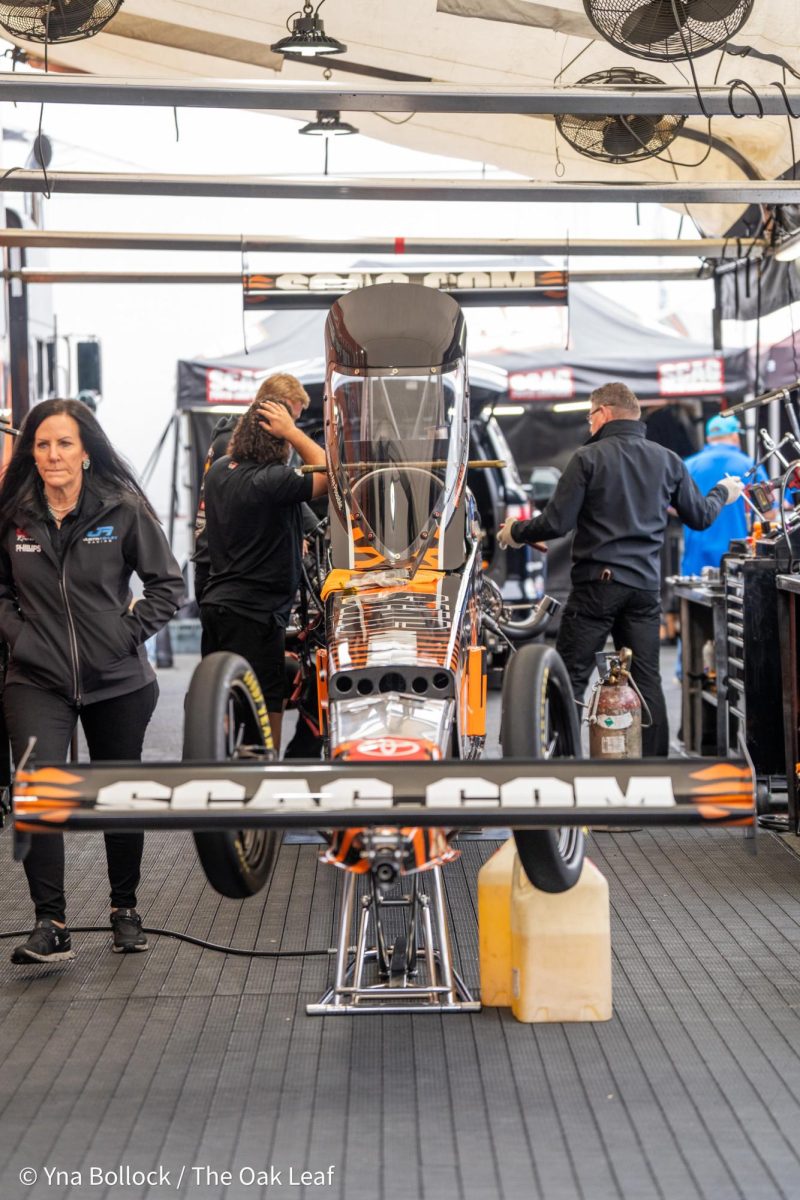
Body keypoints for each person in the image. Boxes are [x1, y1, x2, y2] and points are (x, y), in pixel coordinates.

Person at [0, 398, 184, 964]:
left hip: (118, 680)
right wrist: (22, 640)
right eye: (42, 444)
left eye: (64, 444)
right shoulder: (14, 517)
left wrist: (121, 638)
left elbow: (168, 587)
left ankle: (124, 909)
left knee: (116, 794)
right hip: (36, 678)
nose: (52, 455)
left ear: (85, 453)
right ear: (31, 452)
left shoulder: (121, 510)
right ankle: (49, 923)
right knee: (39, 791)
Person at [497, 382, 744, 756]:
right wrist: (723, 492)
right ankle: (657, 775)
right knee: (647, 681)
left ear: (605, 413)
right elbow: (701, 516)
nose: (588, 423)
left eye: (589, 415)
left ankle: (560, 766)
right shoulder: (668, 460)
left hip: (597, 586)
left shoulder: (587, 458)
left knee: (568, 678)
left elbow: (556, 522)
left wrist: (515, 531)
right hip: (643, 589)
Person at [200, 377, 328, 751]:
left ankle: (222, 763)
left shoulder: (221, 470)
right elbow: (329, 473)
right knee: (266, 696)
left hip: (217, 604)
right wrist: (295, 432)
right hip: (255, 613)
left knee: (224, 699)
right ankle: (265, 765)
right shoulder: (271, 480)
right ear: (281, 442)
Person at [681, 412, 768, 576]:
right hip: (738, 559)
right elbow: (769, 511)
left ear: (709, 438)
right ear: (735, 436)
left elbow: (670, 505)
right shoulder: (749, 465)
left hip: (697, 560)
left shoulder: (688, 465)